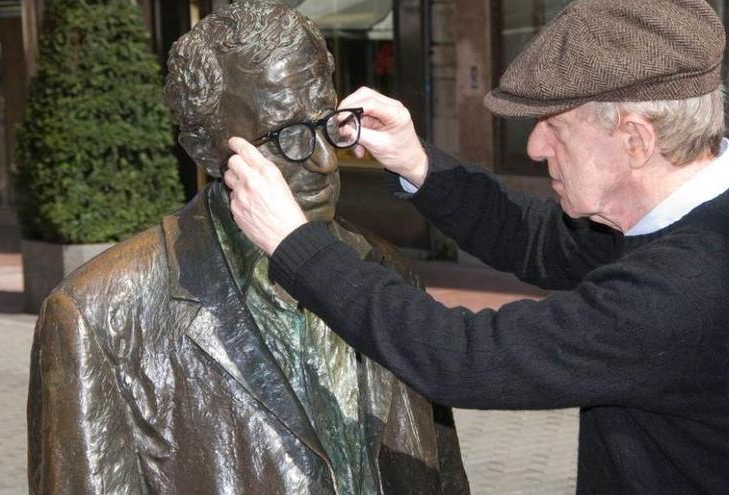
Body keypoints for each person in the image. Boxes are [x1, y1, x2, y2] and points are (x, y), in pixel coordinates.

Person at [222, 0, 729, 492]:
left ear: (636, 140)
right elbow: (540, 241)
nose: (536, 147)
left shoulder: (687, 289)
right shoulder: (719, 205)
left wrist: (294, 243)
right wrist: (417, 163)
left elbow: (465, 360)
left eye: (556, 128)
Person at [26, 2, 468, 494]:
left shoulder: (385, 269)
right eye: (285, 137)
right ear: (203, 147)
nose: (325, 161)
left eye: (328, 123)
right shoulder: (99, 315)